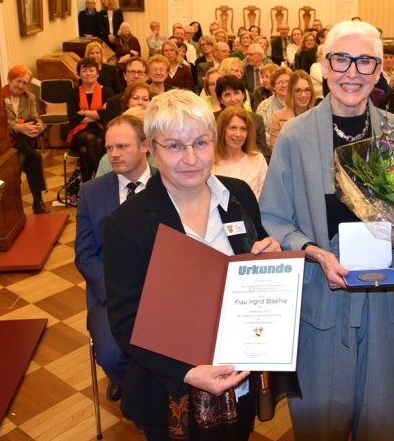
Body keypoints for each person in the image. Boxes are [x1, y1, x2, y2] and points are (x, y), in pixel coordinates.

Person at [260, 20, 394, 440]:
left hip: (382, 294)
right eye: (341, 59)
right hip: (320, 291)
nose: (352, 72)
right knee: (319, 415)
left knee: (378, 413)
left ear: (379, 69)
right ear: (324, 67)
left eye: (365, 61)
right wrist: (313, 250)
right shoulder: (294, 137)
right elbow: (275, 216)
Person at [104, 90, 283, 439]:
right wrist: (186, 372)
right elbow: (126, 322)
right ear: (151, 149)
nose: (191, 158)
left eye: (201, 143)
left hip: (239, 373)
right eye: (174, 145)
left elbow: (252, 271)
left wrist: (269, 260)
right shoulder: (127, 224)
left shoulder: (239, 195)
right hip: (169, 386)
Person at [76, 112, 154, 404]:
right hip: (109, 293)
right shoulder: (91, 191)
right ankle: (135, 389)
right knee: (110, 355)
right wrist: (115, 292)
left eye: (122, 146)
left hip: (160, 290)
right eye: (109, 148)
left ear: (145, 145)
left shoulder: (168, 185)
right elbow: (85, 255)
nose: (113, 154)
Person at [2, 65, 48, 214]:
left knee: (30, 122)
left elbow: (36, 117)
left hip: (25, 141)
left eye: (25, 83)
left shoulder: (29, 98)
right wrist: (17, 127)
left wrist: (39, 126)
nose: (21, 86)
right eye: (18, 81)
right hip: (6, 143)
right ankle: (37, 202)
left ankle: (37, 200)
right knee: (35, 157)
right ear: (10, 79)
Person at [67, 58, 115, 181]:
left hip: (101, 131)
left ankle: (87, 185)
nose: (88, 73)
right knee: (90, 139)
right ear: (79, 74)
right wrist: (97, 114)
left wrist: (83, 113)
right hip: (79, 134)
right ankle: (101, 178)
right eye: (84, 70)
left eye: (91, 70)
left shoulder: (107, 91)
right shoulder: (72, 94)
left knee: (84, 151)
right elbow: (73, 120)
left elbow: (107, 116)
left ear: (98, 73)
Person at [97, 84, 157, 177]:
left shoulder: (160, 157)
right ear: (127, 102)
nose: (140, 103)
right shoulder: (108, 160)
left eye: (145, 99)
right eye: (135, 98)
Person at [213, 107, 268, 199]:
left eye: (243, 129)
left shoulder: (258, 159)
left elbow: (266, 198)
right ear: (222, 130)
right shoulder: (210, 162)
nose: (238, 134)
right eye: (233, 128)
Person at [215, 75, 269, 158]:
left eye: (236, 93)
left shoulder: (256, 120)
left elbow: (265, 153)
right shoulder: (213, 120)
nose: (233, 99)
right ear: (220, 99)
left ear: (243, 95)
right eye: (227, 95)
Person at [269, 70, 316, 147]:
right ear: (291, 92)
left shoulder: (319, 116)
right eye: (298, 90)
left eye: (307, 90)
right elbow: (275, 151)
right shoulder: (278, 117)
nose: (303, 95)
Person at [256, 66, 292, 131]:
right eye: (280, 82)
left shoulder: (299, 104)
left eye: (287, 82)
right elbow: (260, 132)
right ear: (273, 86)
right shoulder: (264, 107)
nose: (284, 85)